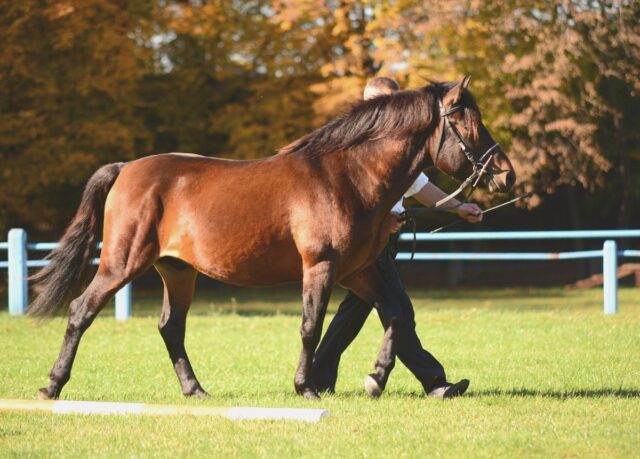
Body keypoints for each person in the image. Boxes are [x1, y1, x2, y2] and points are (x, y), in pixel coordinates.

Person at [311, 76, 483, 399]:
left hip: (387, 240)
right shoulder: (352, 148)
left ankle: (319, 376)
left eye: (388, 104)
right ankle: (432, 382)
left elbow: (422, 189)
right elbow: (341, 204)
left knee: (355, 312)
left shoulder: (398, 149)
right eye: (375, 104)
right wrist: (379, 219)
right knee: (399, 311)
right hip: (365, 242)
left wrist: (459, 207)